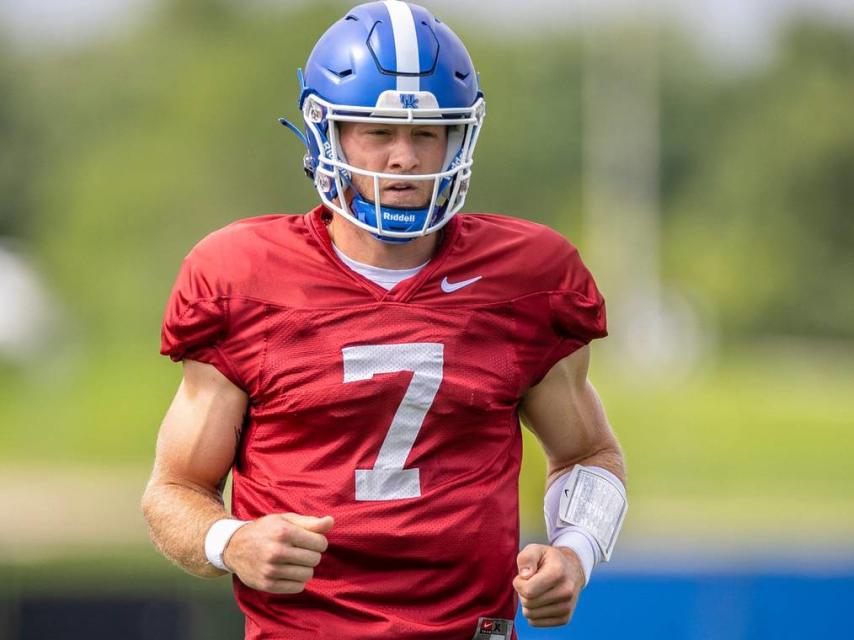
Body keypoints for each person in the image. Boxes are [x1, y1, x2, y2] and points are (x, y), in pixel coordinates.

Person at [141, 2, 627, 638]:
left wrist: (575, 552)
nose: (403, 159)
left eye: (426, 134)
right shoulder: (242, 278)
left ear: (459, 138)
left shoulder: (528, 277)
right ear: (328, 134)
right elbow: (173, 491)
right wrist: (230, 541)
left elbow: (590, 452)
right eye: (377, 131)